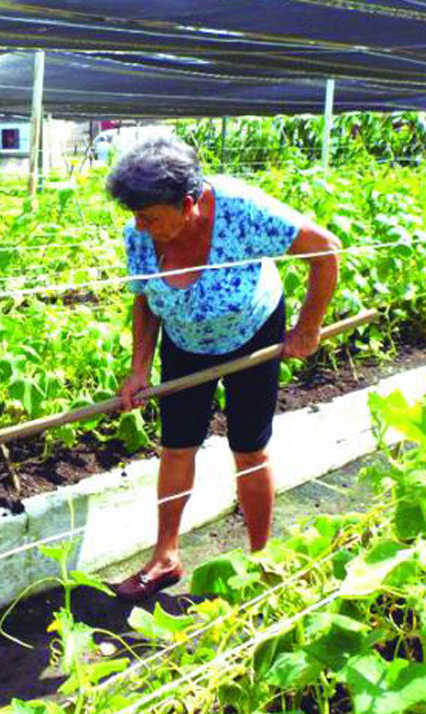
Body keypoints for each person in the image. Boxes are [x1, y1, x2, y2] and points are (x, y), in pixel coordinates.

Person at [108, 136, 340, 603]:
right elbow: (146, 299)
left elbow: (326, 250)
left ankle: (259, 561)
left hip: (251, 333)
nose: (140, 226)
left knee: (249, 449)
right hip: (185, 341)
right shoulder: (141, 232)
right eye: (135, 215)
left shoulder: (240, 209)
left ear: (189, 203)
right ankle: (166, 557)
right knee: (176, 449)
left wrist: (307, 328)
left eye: (150, 217)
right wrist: (138, 368)